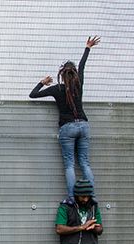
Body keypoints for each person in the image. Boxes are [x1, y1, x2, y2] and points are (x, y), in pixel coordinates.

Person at [29, 36, 101, 203]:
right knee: (84, 163)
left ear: (61, 74)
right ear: (74, 73)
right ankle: (92, 197)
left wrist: (42, 82)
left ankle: (71, 198)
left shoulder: (56, 89)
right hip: (83, 125)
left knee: (70, 165)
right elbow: (83, 65)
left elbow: (33, 95)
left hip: (67, 128)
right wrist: (87, 47)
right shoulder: (79, 84)